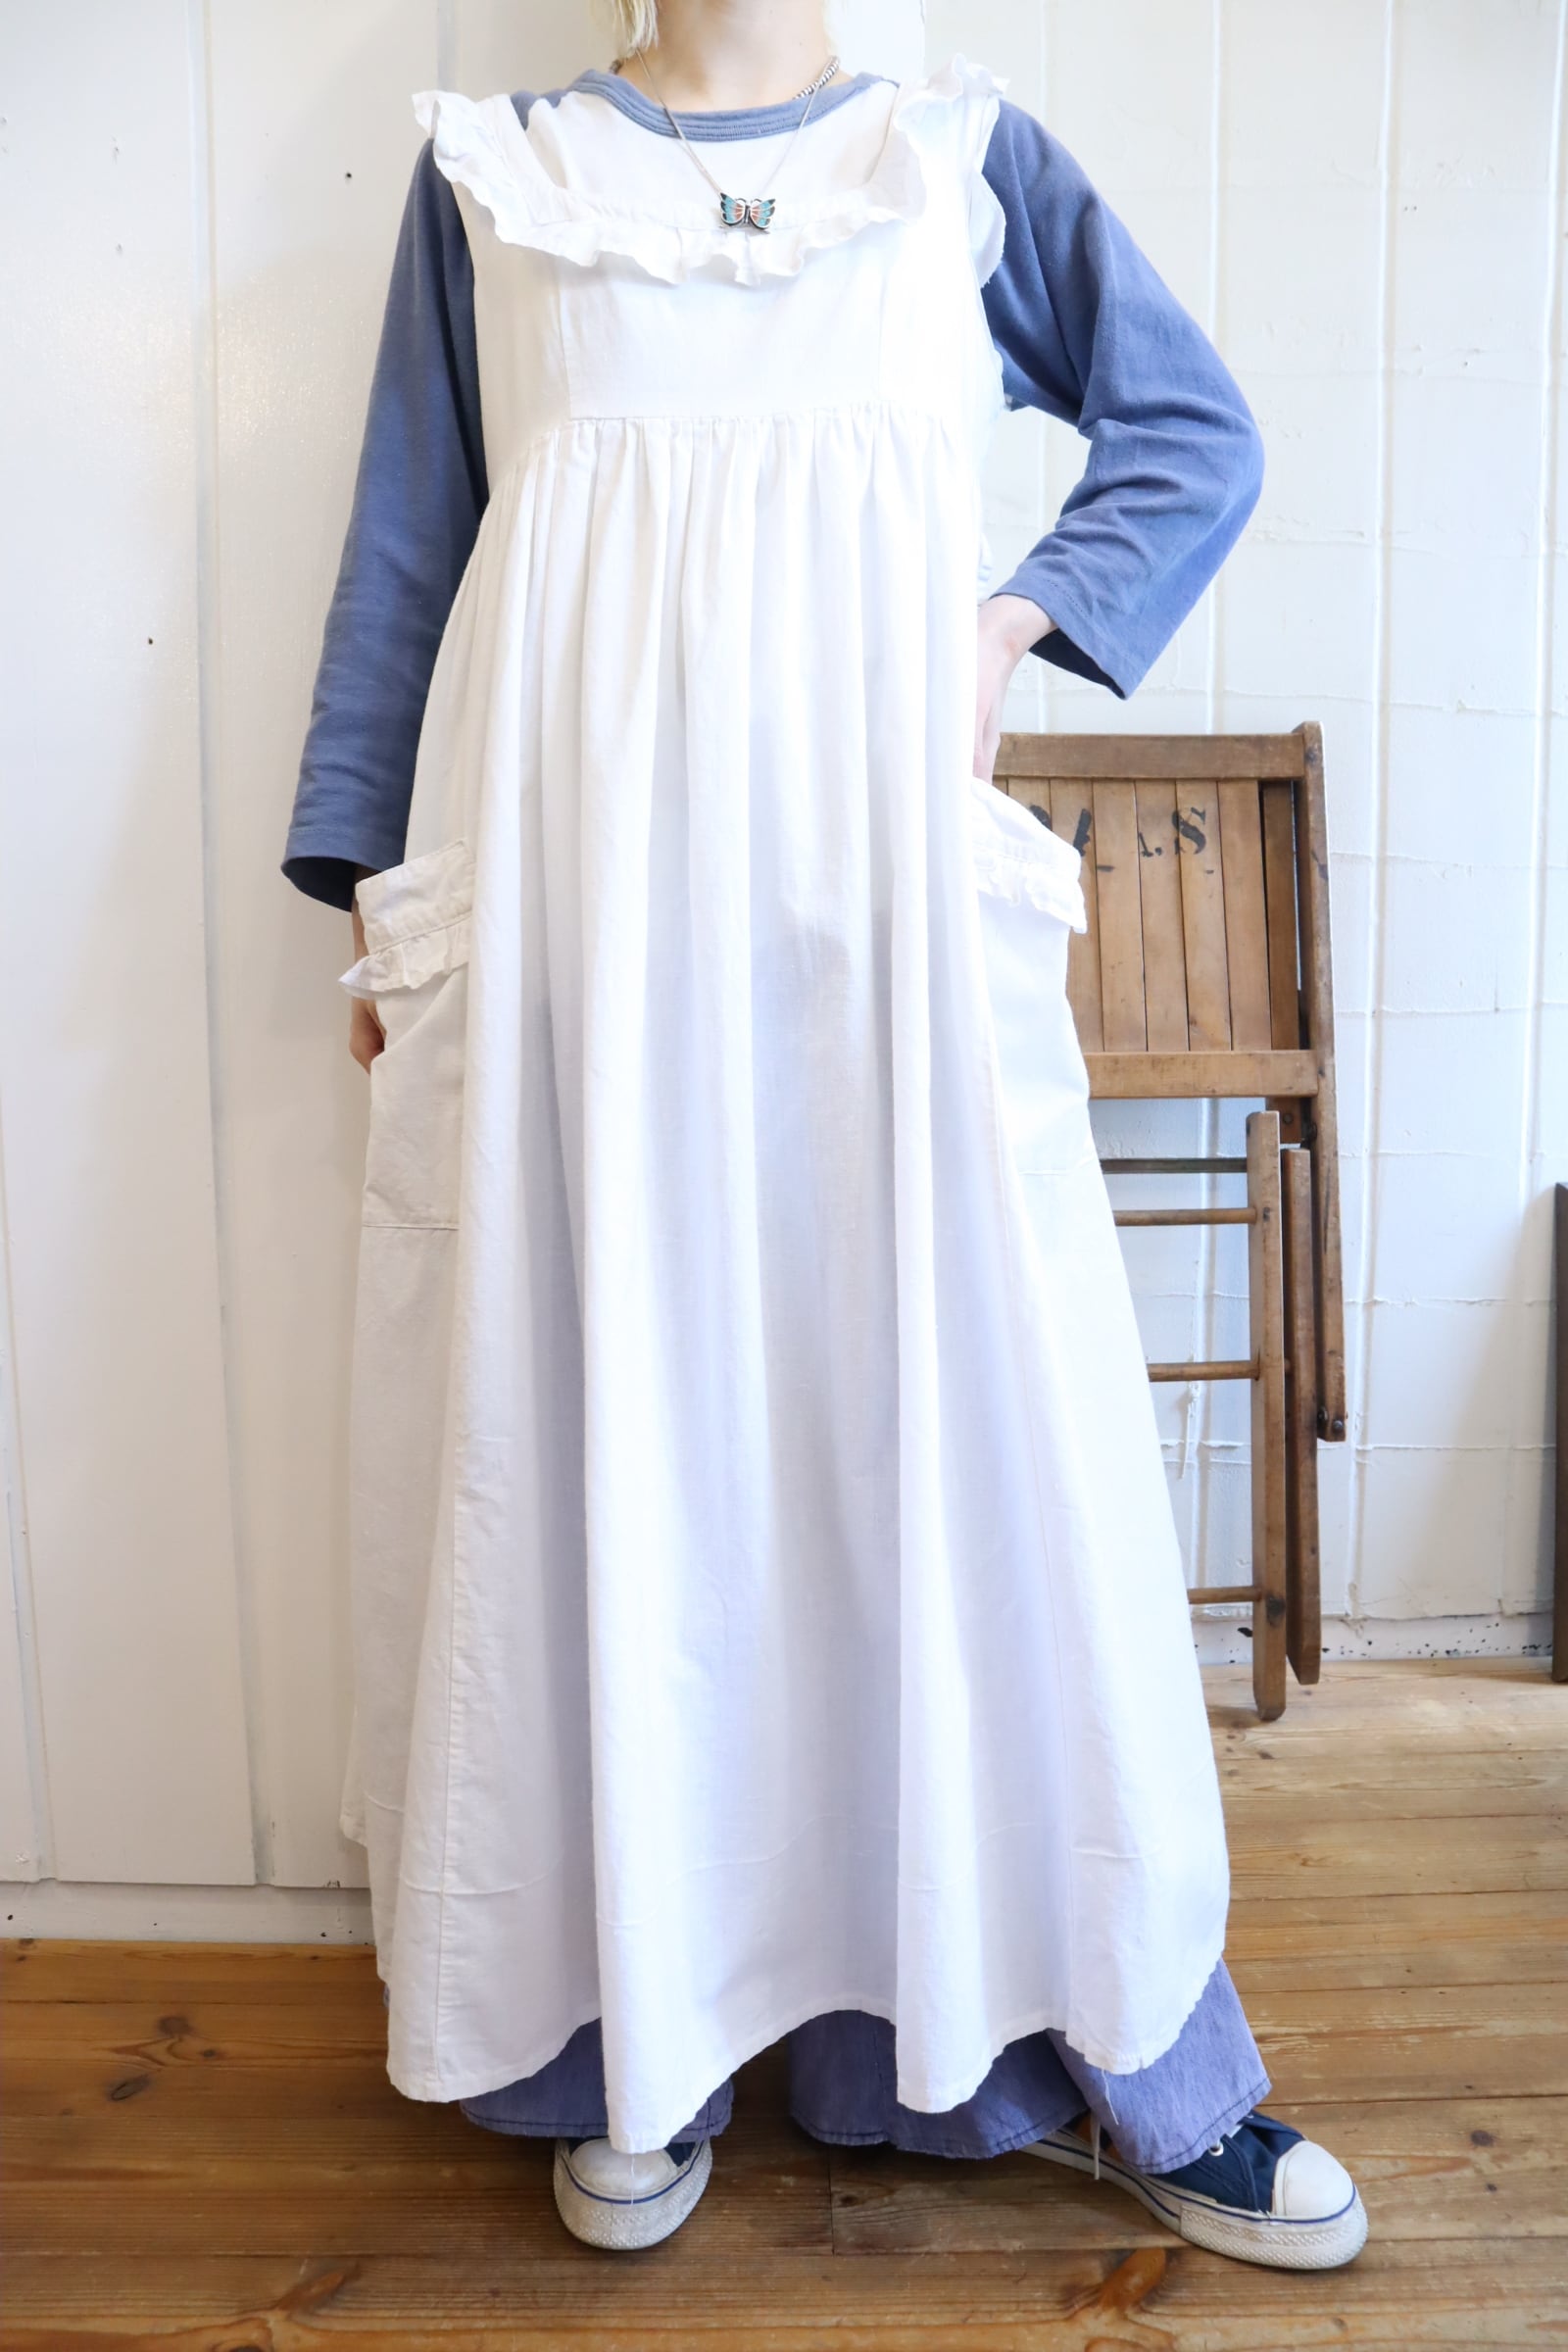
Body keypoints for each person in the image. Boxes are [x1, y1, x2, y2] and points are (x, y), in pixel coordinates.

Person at [282, 0, 1367, 2270]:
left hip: (880, 940)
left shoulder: (956, 161)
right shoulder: (500, 182)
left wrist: (1004, 626)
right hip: (581, 940)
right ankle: (627, 2032)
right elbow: (407, 551)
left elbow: (1190, 431)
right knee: (604, 1452)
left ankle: (1098, 2048)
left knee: (977, 1460)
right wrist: (374, 900)